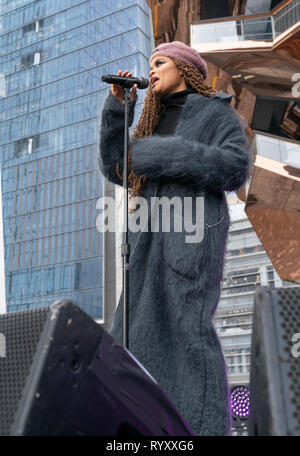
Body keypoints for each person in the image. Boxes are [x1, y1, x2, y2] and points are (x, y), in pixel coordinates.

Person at [98, 41, 250, 436]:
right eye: (150, 64)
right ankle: (133, 431)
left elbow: (235, 166)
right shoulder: (151, 119)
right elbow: (118, 165)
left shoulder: (215, 112)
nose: (152, 69)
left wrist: (163, 154)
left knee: (188, 334)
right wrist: (119, 109)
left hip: (191, 239)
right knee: (126, 340)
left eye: (159, 62)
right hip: (145, 245)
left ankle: (204, 429)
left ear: (185, 68)